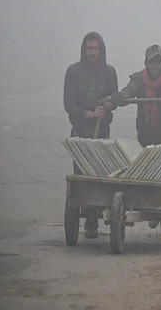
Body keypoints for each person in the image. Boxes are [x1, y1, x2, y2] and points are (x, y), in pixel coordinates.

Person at [104, 44, 161, 235]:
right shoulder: (138, 79)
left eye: (158, 61)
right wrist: (116, 99)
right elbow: (128, 91)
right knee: (147, 174)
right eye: (152, 61)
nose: (155, 65)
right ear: (146, 63)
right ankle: (151, 211)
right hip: (145, 134)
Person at [64, 31, 118, 238]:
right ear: (84, 49)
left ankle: (93, 220)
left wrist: (108, 105)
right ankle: (86, 216)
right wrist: (87, 113)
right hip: (80, 133)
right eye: (89, 49)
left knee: (100, 176)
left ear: (101, 50)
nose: (92, 53)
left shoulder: (109, 72)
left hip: (102, 132)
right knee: (81, 177)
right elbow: (68, 104)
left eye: (96, 49)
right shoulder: (74, 72)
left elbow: (115, 98)